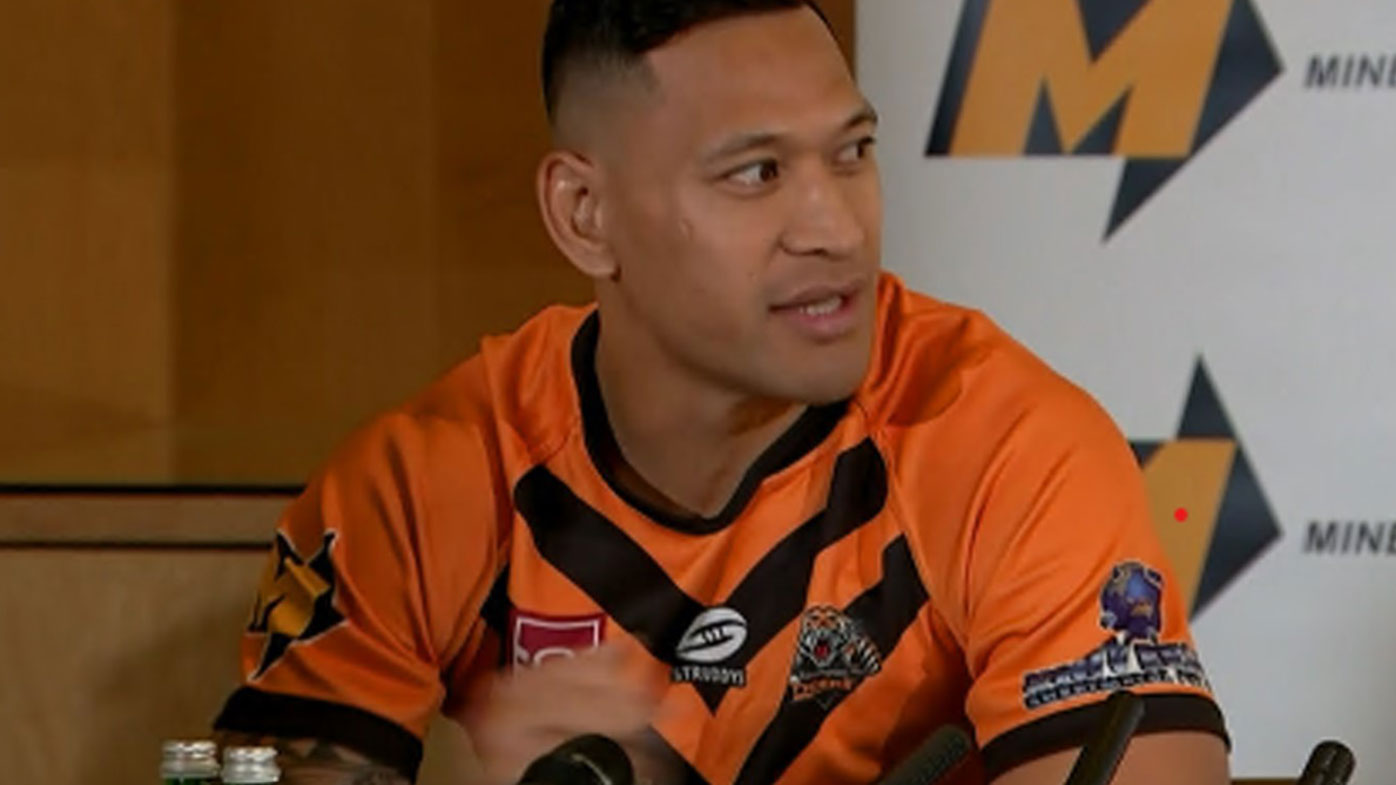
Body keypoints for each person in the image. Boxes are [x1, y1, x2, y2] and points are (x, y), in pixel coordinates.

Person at [212, 2, 1233, 785]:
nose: (835, 227)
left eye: (853, 153)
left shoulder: (1007, 444)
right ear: (585, 214)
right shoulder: (423, 483)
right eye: (755, 174)